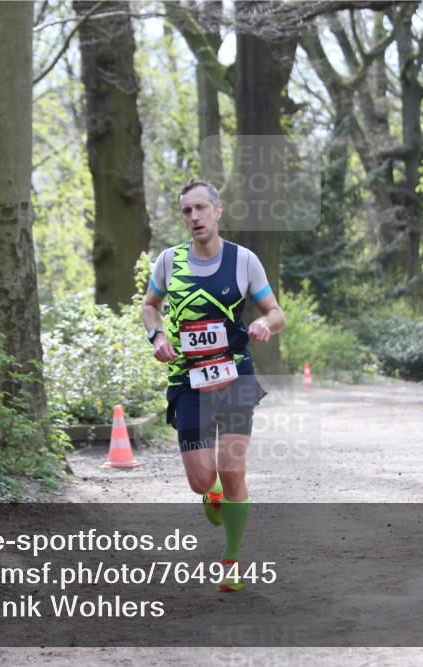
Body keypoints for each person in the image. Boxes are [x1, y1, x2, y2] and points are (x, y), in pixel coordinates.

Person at [142, 178, 285, 592]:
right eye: (187, 211)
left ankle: (232, 559)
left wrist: (262, 322)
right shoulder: (169, 262)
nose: (195, 217)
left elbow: (276, 312)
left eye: (202, 208)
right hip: (188, 380)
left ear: (217, 211)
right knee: (202, 480)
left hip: (235, 375)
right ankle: (212, 490)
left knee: (233, 468)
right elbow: (149, 307)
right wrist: (158, 337)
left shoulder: (244, 261)